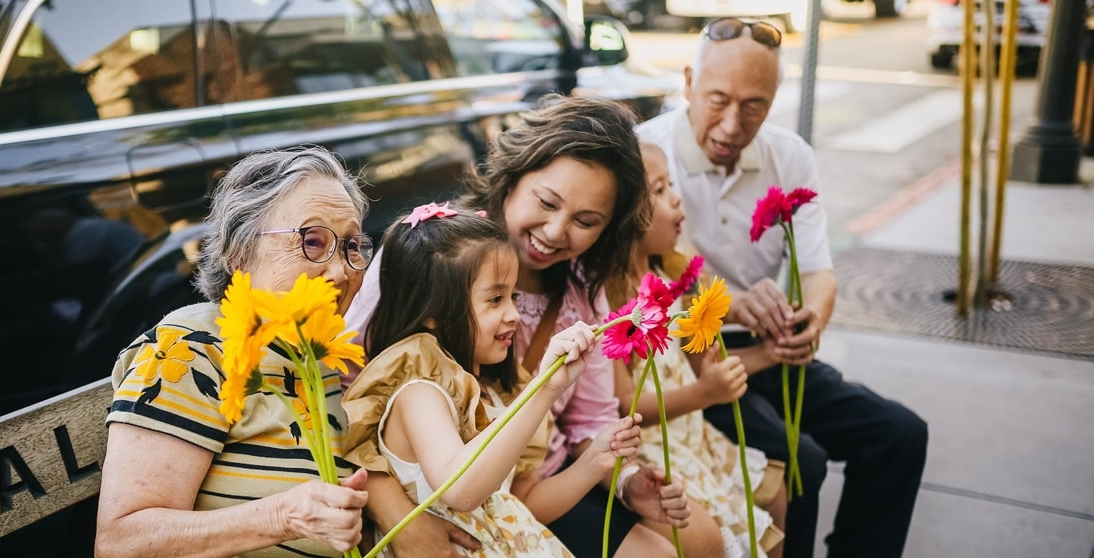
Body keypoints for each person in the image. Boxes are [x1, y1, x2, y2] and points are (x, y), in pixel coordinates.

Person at [346, 94, 694, 557]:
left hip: (525, 493)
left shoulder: (580, 291)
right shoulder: (431, 259)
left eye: (585, 221)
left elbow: (587, 420)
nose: (554, 231)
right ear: (512, 178)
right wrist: (394, 516)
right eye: (546, 202)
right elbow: (348, 397)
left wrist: (625, 480)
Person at [636, 18, 929, 558]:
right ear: (687, 83)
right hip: (696, 361)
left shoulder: (789, 155)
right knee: (801, 462)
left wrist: (810, 322)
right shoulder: (645, 156)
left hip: (772, 351)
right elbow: (641, 290)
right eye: (718, 99)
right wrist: (731, 304)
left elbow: (817, 269)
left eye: (754, 106)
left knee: (899, 436)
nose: (731, 123)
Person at [95, 147, 374, 557]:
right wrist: (282, 517)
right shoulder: (192, 348)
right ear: (240, 252)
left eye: (352, 246)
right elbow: (122, 544)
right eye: (312, 241)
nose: (340, 270)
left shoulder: (318, 359)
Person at [345, 205, 643, 556]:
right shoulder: (419, 393)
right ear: (433, 312)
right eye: (495, 299)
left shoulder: (491, 393)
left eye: (513, 296)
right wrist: (545, 390)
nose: (514, 314)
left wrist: (594, 461)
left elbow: (515, 506)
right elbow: (461, 490)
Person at [607, 142, 787, 558]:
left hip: (693, 434)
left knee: (775, 497)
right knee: (727, 537)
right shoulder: (613, 301)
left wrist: (767, 354)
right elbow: (622, 404)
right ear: (627, 215)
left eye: (671, 184)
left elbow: (694, 362)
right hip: (659, 448)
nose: (676, 197)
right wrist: (705, 394)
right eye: (658, 189)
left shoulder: (668, 277)